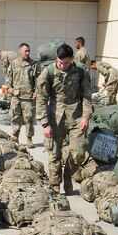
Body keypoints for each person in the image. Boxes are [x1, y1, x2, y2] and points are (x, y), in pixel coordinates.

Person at [36, 43, 93, 195]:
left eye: (66, 62)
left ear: (72, 59)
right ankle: (55, 183)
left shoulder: (81, 71)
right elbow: (41, 98)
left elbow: (87, 96)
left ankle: (67, 176)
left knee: (79, 153)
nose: (62, 65)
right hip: (55, 116)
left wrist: (86, 116)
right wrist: (45, 123)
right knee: (54, 153)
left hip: (76, 116)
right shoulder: (47, 72)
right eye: (60, 62)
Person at [5, 43, 36, 147]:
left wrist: (36, 93)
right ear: (20, 51)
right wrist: (10, 90)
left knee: (29, 119)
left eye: (28, 51)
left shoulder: (33, 64)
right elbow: (8, 81)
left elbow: (38, 81)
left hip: (28, 97)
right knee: (15, 117)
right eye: (25, 51)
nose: (27, 53)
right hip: (16, 97)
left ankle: (29, 138)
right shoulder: (13, 64)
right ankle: (15, 136)